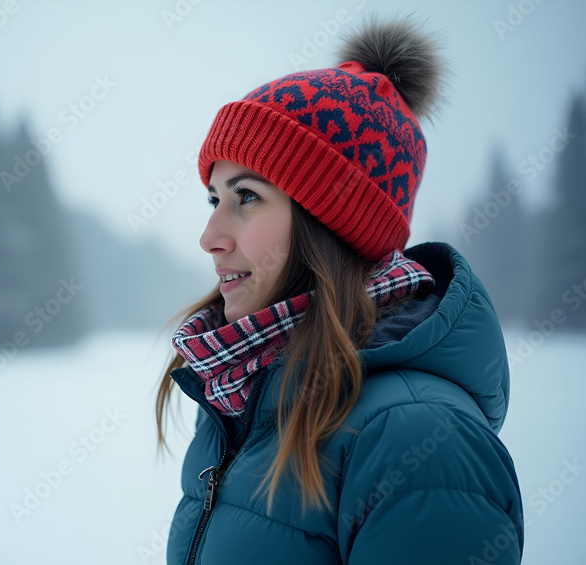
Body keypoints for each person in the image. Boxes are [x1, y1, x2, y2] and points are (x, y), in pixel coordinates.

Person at [154, 13, 525, 565]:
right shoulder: (243, 395)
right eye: (214, 199)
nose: (210, 238)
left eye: (246, 196)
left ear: (332, 223)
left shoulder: (420, 440)